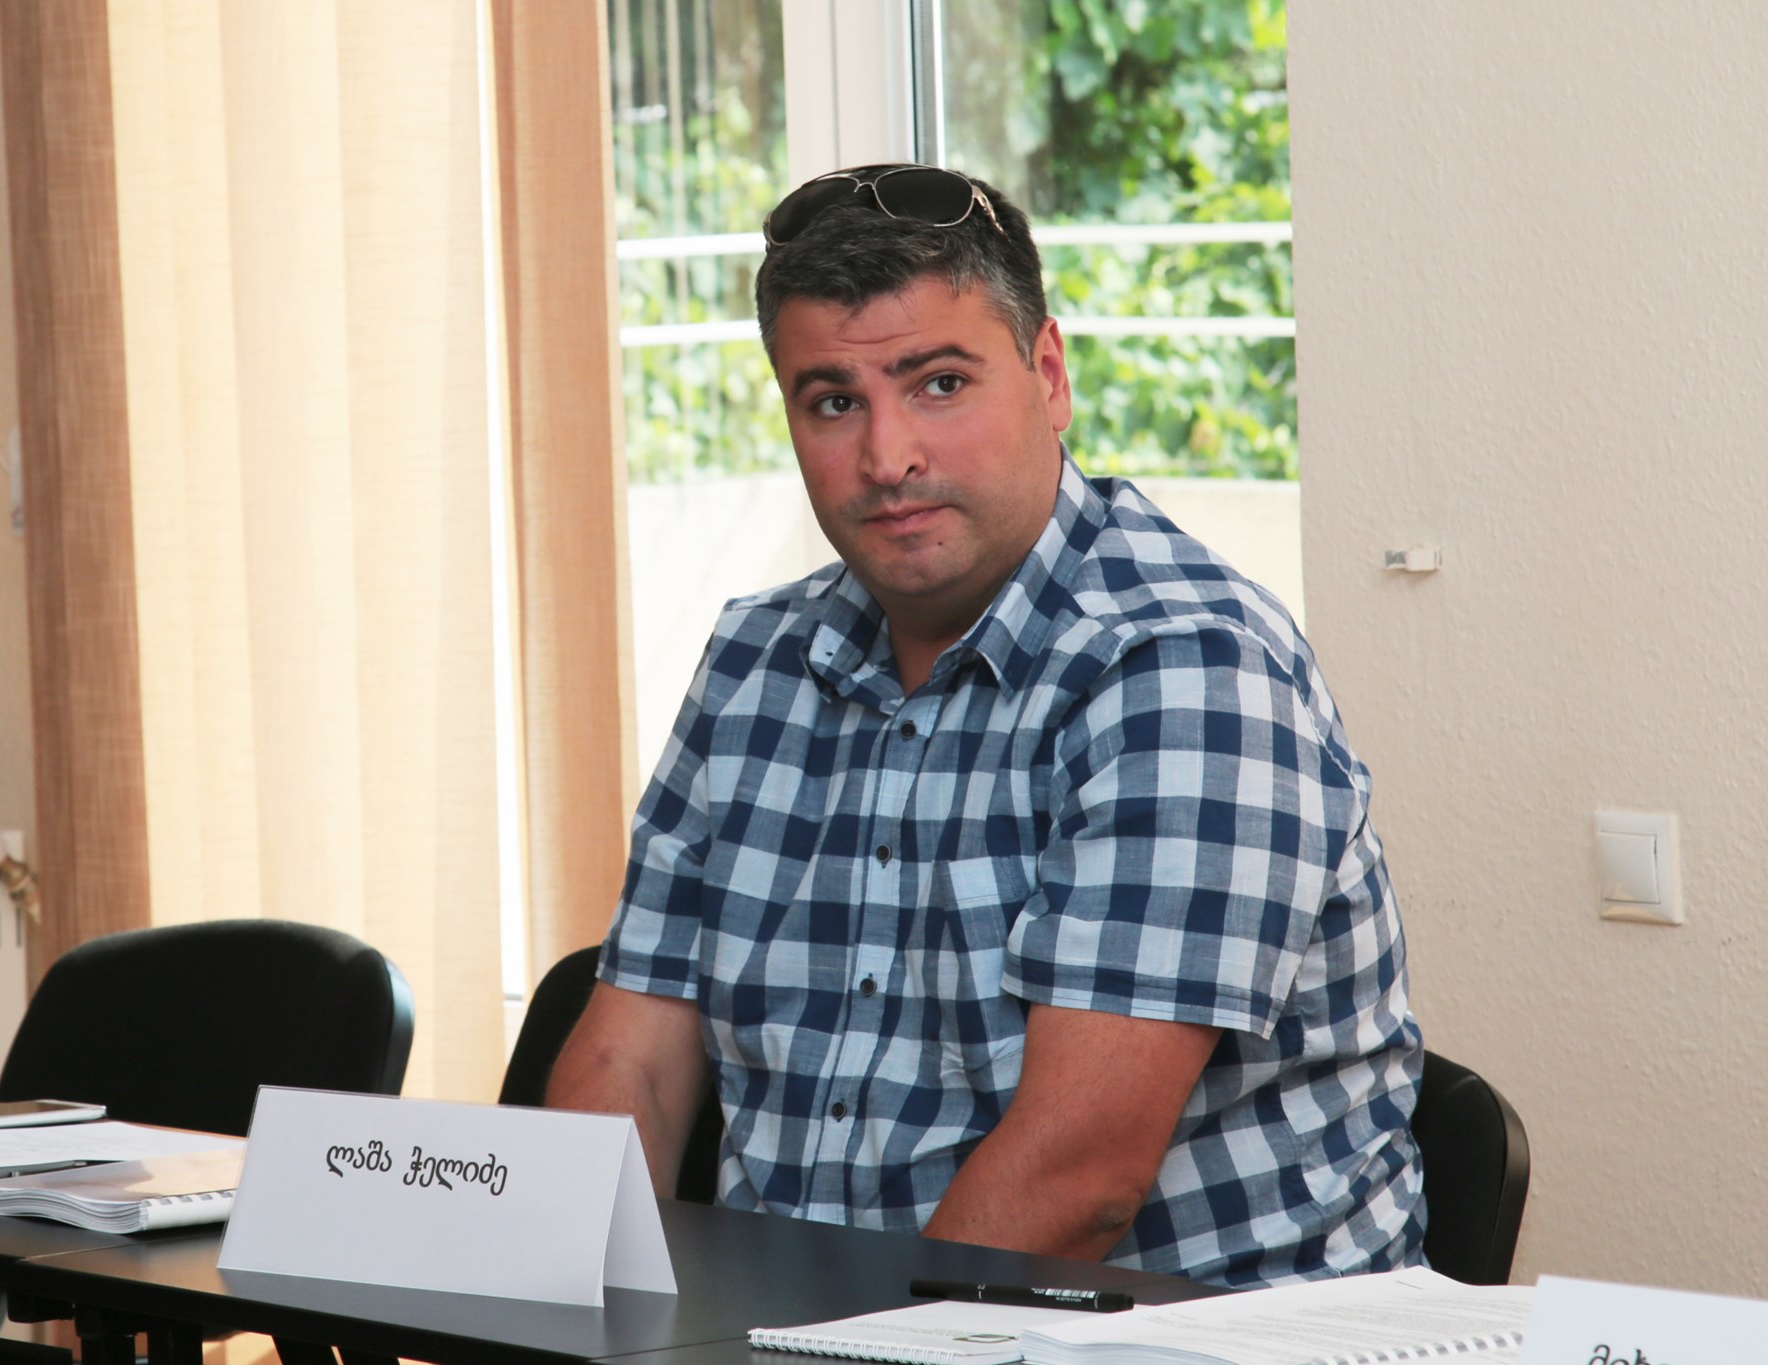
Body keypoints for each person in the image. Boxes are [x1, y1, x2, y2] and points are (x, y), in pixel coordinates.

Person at [546, 164, 1424, 1287]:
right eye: (833, 402)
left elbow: (1077, 1178)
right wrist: (565, 1314)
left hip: (1157, 1340)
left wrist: (829, 1357)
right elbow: (630, 1066)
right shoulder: (754, 660)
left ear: (1048, 375)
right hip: (803, 1327)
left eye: (941, 384)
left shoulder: (1183, 669)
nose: (888, 458)